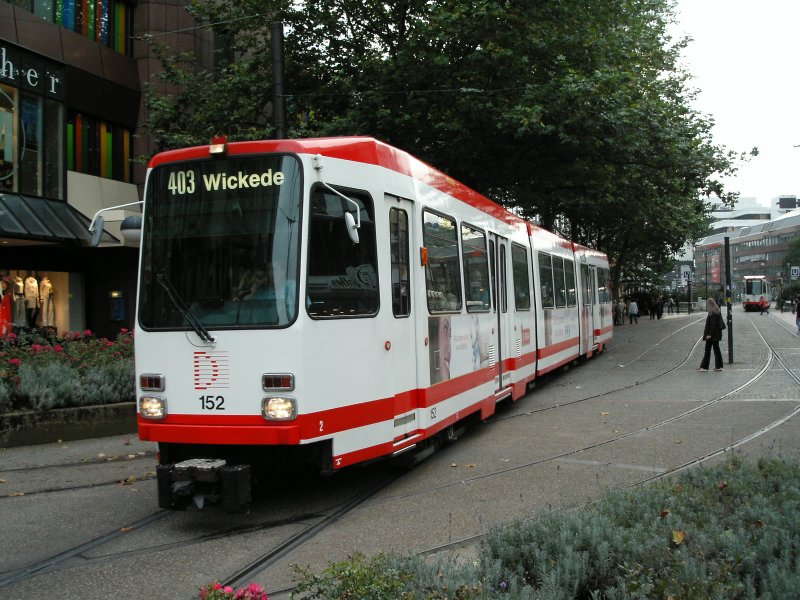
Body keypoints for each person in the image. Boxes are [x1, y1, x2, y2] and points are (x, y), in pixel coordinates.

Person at [697, 298, 725, 372]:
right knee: (717, 350)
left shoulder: (712, 313)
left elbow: (713, 325)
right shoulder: (717, 311)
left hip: (712, 336)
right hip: (716, 335)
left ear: (709, 304)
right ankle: (719, 366)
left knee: (707, 351)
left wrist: (709, 334)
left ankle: (704, 367)